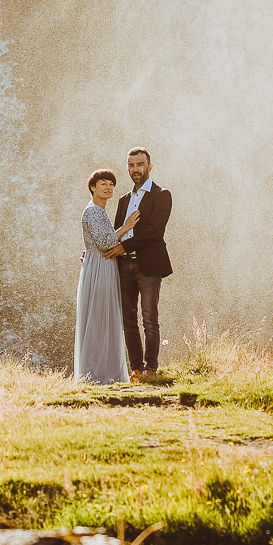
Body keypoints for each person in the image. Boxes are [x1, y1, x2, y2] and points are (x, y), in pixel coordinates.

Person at [113, 147, 173, 381]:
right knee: (128, 320)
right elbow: (115, 233)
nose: (135, 169)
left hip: (147, 265)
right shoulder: (123, 199)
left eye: (139, 164)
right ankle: (136, 369)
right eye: (131, 165)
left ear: (149, 167)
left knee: (149, 318)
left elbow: (154, 232)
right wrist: (94, 253)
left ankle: (151, 368)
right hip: (123, 266)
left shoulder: (162, 194)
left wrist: (125, 247)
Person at [75, 169, 135, 383]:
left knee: (101, 317)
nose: (108, 187)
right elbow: (107, 242)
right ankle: (98, 374)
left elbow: (101, 240)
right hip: (100, 266)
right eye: (103, 184)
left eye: (111, 184)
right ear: (93, 187)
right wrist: (126, 227)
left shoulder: (98, 211)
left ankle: (101, 371)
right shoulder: (94, 211)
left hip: (100, 264)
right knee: (100, 317)